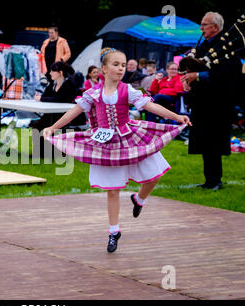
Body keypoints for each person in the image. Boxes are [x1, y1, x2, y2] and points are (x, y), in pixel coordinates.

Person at [43, 47, 191, 253]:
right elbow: (73, 112)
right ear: (103, 69)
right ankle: (114, 231)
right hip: (106, 142)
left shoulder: (128, 90)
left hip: (129, 136)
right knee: (113, 190)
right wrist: (53, 127)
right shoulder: (93, 93)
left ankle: (139, 199)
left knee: (154, 174)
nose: (121, 69)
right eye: (116, 65)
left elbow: (150, 106)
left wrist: (176, 117)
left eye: (123, 65)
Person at [180, 12, 242, 190]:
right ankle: (209, 180)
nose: (201, 28)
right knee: (204, 140)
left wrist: (197, 76)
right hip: (201, 100)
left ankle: (216, 180)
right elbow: (193, 66)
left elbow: (229, 73)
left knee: (214, 141)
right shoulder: (202, 45)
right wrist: (187, 80)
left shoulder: (226, 45)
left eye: (204, 24)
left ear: (215, 27)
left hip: (218, 102)